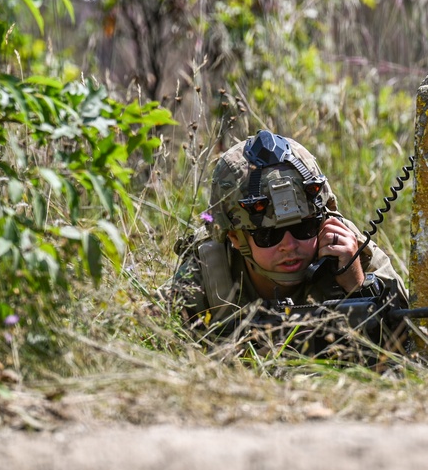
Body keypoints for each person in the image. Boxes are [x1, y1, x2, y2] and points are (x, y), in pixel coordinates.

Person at [169, 129, 408, 354]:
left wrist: (357, 285)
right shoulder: (208, 272)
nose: (289, 245)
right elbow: (160, 339)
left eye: (304, 227)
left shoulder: (346, 248)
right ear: (235, 237)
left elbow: (410, 340)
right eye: (268, 236)